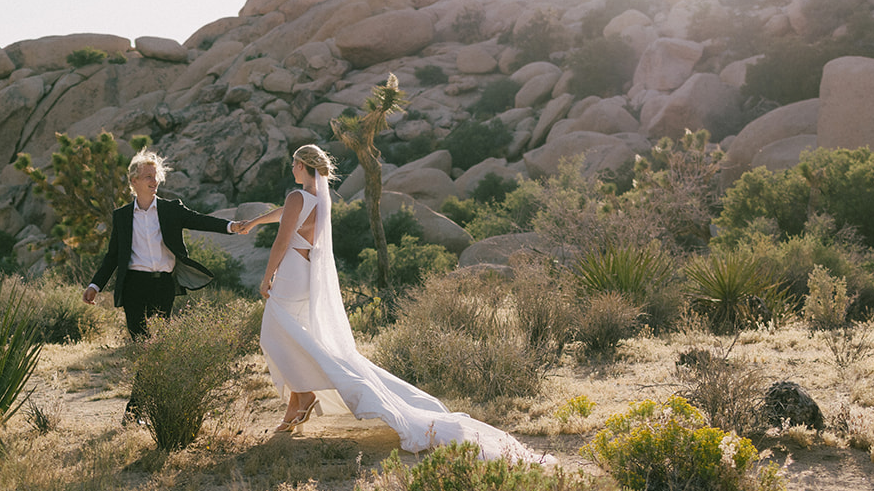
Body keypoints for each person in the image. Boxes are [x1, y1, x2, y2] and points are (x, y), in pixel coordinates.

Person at [234, 144, 553, 465]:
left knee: (274, 336)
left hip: (289, 274)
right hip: (306, 276)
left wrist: (267, 276)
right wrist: (255, 222)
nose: (292, 169)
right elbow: (286, 215)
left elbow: (283, 238)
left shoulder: (297, 196)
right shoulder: (318, 200)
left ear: (302, 165)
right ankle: (299, 400)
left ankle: (303, 396)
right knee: (297, 337)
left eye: (293, 164)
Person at [84, 149, 236, 341]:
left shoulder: (171, 210)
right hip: (134, 284)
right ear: (134, 181)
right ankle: (143, 372)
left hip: (163, 285)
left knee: (160, 340)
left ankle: (153, 372)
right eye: (148, 177)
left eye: (156, 177)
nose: (154, 181)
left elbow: (200, 221)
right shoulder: (122, 216)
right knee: (140, 339)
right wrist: (95, 285)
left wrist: (231, 226)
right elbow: (113, 255)